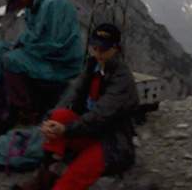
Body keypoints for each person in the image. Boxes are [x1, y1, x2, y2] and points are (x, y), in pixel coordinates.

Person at [15, 22, 140, 190]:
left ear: (116, 49)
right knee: (59, 115)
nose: (98, 52)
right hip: (90, 131)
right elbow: (73, 93)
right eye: (94, 47)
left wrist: (66, 130)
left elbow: (100, 114)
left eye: (103, 49)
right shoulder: (92, 65)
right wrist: (50, 120)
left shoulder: (122, 79)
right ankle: (46, 175)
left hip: (112, 142)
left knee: (73, 178)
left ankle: (58, 181)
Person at [0, 0, 84, 124]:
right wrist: (19, 44)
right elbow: (32, 35)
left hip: (61, 63)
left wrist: (25, 50)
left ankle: (25, 112)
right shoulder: (33, 5)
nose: (20, 6)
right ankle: (4, 98)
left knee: (11, 60)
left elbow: (57, 44)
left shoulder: (54, 4)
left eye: (19, 1)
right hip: (41, 54)